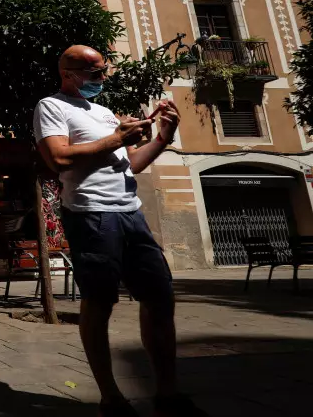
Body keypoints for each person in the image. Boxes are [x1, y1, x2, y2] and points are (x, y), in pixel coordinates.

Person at [34, 45, 207, 417]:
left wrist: (162, 137)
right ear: (67, 73)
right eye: (94, 73)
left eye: (103, 71)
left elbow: (132, 165)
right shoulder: (52, 106)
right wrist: (118, 138)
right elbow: (58, 157)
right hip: (91, 216)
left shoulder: (103, 112)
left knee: (160, 297)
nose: (102, 78)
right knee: (100, 302)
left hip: (131, 213)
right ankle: (111, 399)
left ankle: (168, 396)